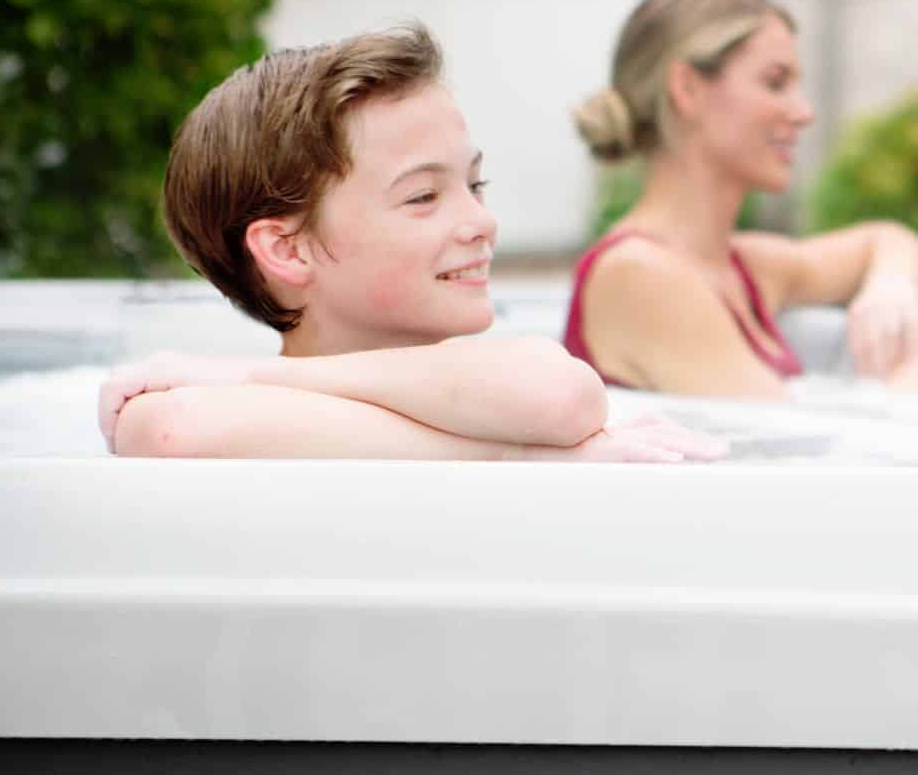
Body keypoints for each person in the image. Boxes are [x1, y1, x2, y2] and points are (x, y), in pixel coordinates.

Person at [102, 24, 722, 463]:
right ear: (288, 250)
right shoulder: (207, 417)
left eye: (475, 183)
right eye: (423, 197)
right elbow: (164, 430)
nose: (482, 220)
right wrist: (525, 458)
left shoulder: (237, 392)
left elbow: (560, 395)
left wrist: (234, 373)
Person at [565, 0, 918, 397]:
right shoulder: (638, 275)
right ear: (687, 88)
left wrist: (892, 292)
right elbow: (800, 452)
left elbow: (891, 240)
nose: (804, 112)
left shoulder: (747, 268)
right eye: (776, 83)